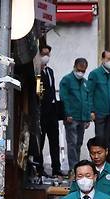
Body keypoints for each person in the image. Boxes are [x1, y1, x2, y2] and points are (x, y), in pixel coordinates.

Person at [60, 58, 92, 172]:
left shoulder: (85, 83)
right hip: (71, 117)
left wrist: (88, 118)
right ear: (74, 67)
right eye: (79, 69)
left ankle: (77, 166)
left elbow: (88, 100)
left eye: (83, 71)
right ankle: (73, 168)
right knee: (72, 143)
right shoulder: (66, 80)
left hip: (82, 118)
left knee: (79, 143)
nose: (81, 73)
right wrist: (67, 114)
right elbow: (64, 98)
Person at [39, 45, 63, 177]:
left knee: (55, 142)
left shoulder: (50, 71)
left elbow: (52, 90)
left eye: (48, 54)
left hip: (52, 112)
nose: (46, 57)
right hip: (42, 112)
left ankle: (56, 168)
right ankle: (39, 167)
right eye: (43, 54)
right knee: (40, 141)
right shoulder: (37, 72)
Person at [89, 50, 110, 143]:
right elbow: (89, 93)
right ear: (102, 59)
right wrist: (91, 110)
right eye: (108, 59)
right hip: (100, 113)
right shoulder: (95, 74)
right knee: (100, 138)